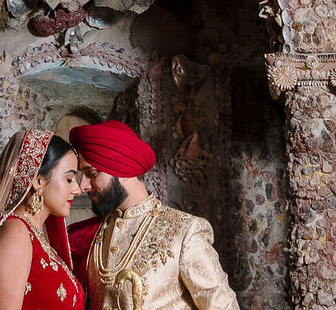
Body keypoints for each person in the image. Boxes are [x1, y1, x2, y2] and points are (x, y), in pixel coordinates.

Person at [67, 120, 239, 310]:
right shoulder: (90, 235)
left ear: (121, 167)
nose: (83, 186)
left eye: (91, 173)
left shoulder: (184, 232)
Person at [0, 128, 87, 310]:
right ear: (39, 181)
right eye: (69, 179)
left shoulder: (36, 236)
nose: (77, 189)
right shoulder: (15, 233)